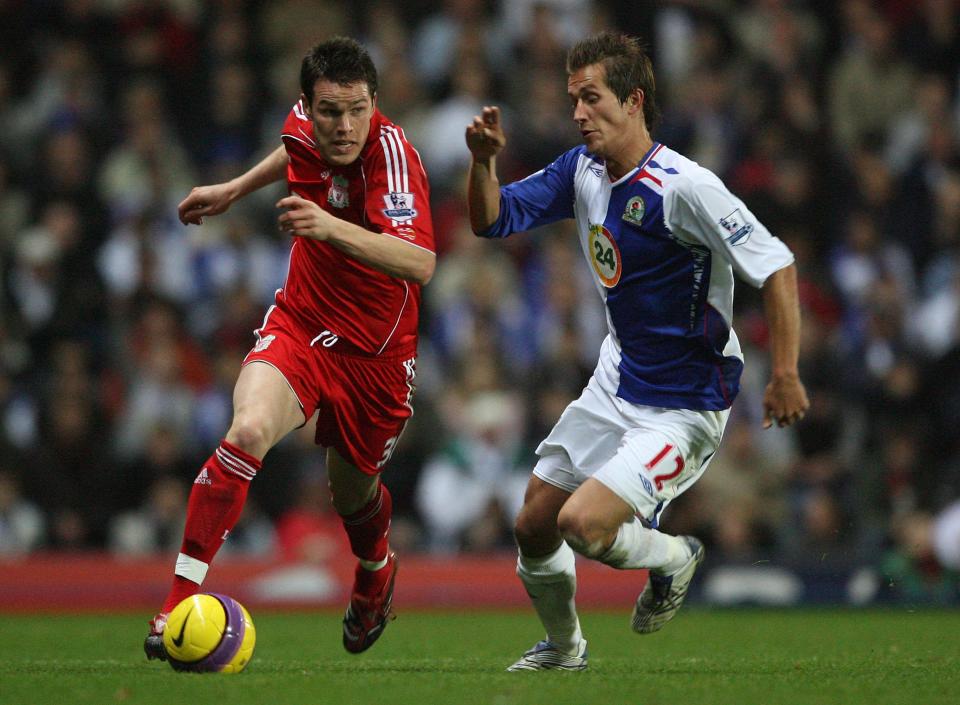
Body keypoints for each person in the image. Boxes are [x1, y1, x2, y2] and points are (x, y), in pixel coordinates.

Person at [465, 31, 809, 671]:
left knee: (583, 526)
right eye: (573, 100)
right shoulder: (582, 170)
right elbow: (491, 220)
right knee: (534, 522)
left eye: (590, 99)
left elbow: (778, 266)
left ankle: (675, 557)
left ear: (633, 100)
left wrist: (784, 372)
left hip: (684, 403)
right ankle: (564, 650)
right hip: (618, 377)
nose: (577, 114)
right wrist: (483, 163)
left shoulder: (687, 187)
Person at [144, 36, 435, 660]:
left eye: (357, 109)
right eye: (330, 110)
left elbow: (420, 262)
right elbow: (292, 151)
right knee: (247, 429)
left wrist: (330, 226)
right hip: (302, 324)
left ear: (374, 102)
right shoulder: (304, 125)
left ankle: (375, 571)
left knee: (352, 493)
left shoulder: (394, 158)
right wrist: (232, 188)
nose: (344, 125)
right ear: (307, 103)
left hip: (376, 356)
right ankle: (173, 604)